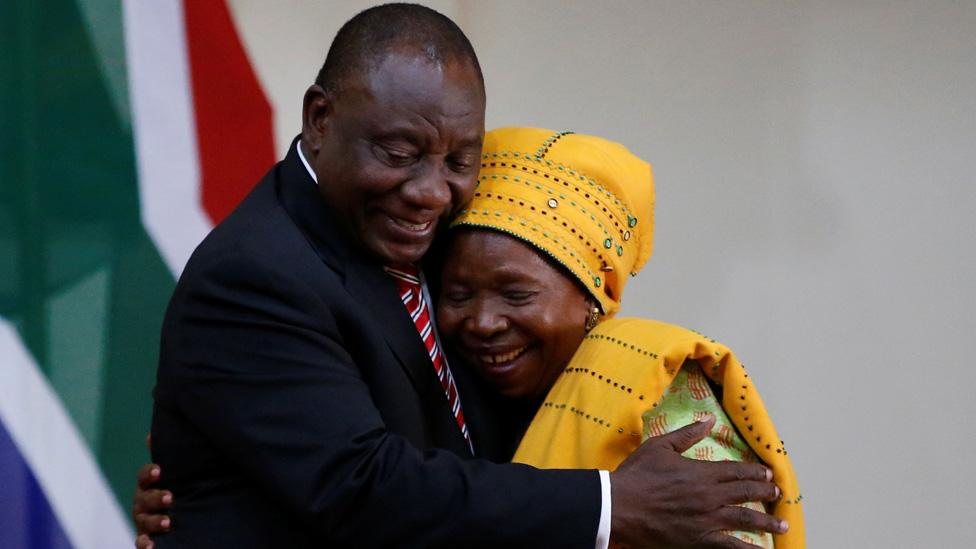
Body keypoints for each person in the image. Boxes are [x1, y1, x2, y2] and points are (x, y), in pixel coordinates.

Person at [138, 4, 787, 548]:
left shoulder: (430, 239)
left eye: (459, 159)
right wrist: (610, 505)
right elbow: (362, 486)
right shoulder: (254, 276)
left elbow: (462, 442)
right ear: (319, 118)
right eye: (399, 153)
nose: (429, 192)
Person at [434, 127, 805, 548]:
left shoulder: (666, 399)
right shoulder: (452, 393)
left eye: (517, 294)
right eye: (458, 294)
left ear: (597, 295)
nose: (482, 322)